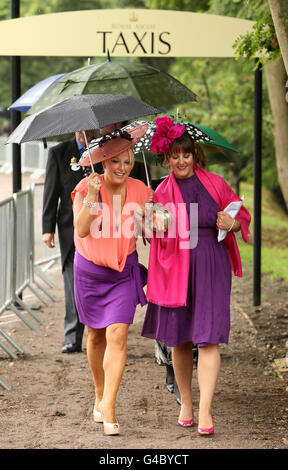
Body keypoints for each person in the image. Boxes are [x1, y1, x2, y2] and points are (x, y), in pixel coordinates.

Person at [141, 116, 251, 436]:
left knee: (209, 337)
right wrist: (153, 219)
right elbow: (148, 230)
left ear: (195, 155)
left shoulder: (215, 183)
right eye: (174, 155)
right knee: (180, 338)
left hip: (211, 265)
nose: (181, 160)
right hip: (176, 269)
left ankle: (205, 410)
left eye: (186, 154)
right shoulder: (160, 191)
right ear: (166, 158)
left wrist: (228, 223)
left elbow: (240, 215)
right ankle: (186, 401)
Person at [71, 124, 152, 435]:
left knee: (117, 335)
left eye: (128, 161)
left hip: (122, 272)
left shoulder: (141, 189)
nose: (122, 167)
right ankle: (98, 392)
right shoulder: (86, 187)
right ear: (103, 162)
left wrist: (154, 216)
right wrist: (92, 195)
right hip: (90, 271)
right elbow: (80, 229)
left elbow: (149, 229)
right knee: (95, 337)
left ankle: (109, 406)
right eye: (116, 161)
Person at [42, 129, 99, 353]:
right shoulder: (58, 153)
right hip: (68, 228)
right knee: (71, 282)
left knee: (96, 283)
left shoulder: (102, 151)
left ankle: (98, 332)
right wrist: (47, 229)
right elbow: (51, 192)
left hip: (97, 228)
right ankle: (72, 337)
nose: (87, 132)